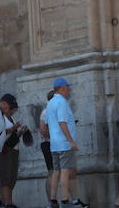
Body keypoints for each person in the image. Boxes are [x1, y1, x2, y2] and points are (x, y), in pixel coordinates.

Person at [43, 80, 88, 208]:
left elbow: (48, 123)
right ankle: (64, 199)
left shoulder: (50, 103)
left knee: (56, 171)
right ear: (62, 88)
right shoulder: (61, 102)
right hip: (64, 143)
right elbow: (62, 123)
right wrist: (71, 141)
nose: (69, 91)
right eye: (68, 88)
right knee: (65, 171)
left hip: (54, 144)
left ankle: (53, 200)